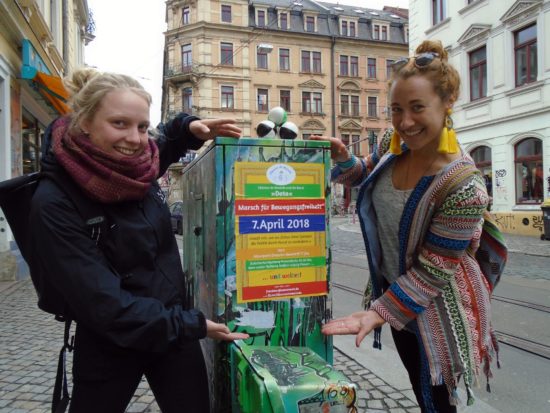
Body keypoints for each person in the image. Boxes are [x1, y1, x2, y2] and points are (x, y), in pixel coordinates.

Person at [28, 68, 248, 413]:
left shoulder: (138, 166)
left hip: (172, 333)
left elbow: (166, 143)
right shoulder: (53, 200)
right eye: (119, 124)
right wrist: (192, 324)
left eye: (142, 126)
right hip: (110, 341)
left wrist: (188, 128)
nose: (135, 139)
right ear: (83, 122)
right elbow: (104, 305)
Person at [313, 40, 497, 413]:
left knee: (437, 403)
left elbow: (432, 272)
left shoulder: (464, 188)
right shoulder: (393, 141)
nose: (405, 122)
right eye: (396, 109)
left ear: (448, 103)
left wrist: (379, 312)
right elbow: (365, 175)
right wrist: (345, 158)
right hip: (394, 298)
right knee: (418, 387)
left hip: (439, 310)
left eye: (417, 108)